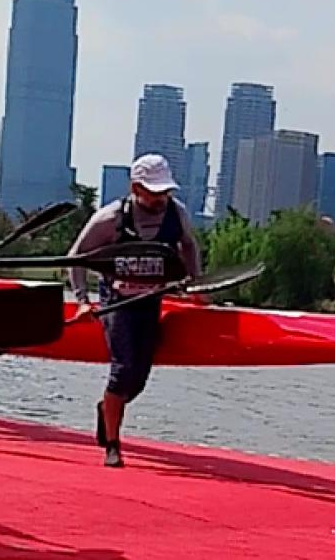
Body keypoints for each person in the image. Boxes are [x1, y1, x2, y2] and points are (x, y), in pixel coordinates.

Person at [69, 153, 202, 468]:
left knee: (138, 379)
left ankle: (108, 409)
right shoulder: (110, 218)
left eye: (164, 192)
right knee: (123, 369)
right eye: (154, 192)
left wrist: (193, 283)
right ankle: (113, 445)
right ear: (135, 187)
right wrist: (83, 300)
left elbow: (189, 245)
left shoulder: (176, 214)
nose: (160, 199)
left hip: (151, 300)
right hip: (117, 299)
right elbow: (76, 257)